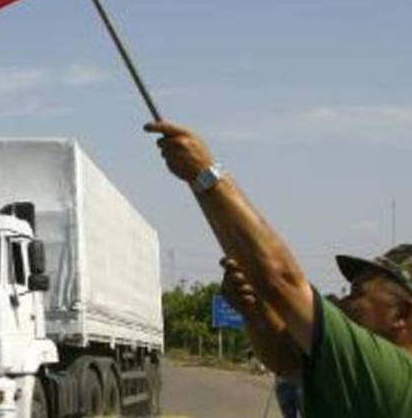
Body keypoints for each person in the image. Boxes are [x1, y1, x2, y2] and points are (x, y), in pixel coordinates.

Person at [146, 121, 412, 416]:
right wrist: (255, 310)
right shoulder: (357, 377)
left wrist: (205, 174)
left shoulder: (393, 377)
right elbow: (285, 359)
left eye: (357, 294)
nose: (344, 303)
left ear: (400, 314)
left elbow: (280, 278)